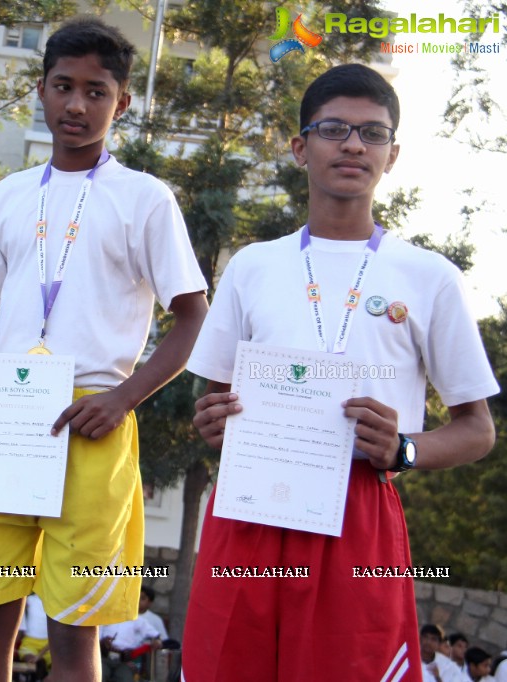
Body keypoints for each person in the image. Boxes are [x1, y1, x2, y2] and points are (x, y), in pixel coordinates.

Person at [183, 63, 498, 682]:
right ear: (301, 147)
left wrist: (404, 448)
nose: (354, 145)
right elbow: (213, 398)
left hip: (356, 511)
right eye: (334, 129)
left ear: (393, 154)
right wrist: (214, 422)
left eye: (373, 134)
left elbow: (477, 429)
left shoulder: (429, 276)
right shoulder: (254, 265)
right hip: (252, 502)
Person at [0, 16, 208, 682]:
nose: (77, 105)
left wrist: (122, 398)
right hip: (2, 419)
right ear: (41, 89)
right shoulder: (6, 196)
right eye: (63, 86)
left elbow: (192, 315)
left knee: (71, 633)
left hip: (90, 418)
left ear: (121, 102)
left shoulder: (144, 199)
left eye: (95, 91)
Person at [99, 615, 161, 682]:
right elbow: (95, 638)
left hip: (124, 660)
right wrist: (103, 642)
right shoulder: (105, 616)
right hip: (104, 658)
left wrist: (156, 641)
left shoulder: (135, 619)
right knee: (98, 676)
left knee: (125, 678)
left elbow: (155, 635)